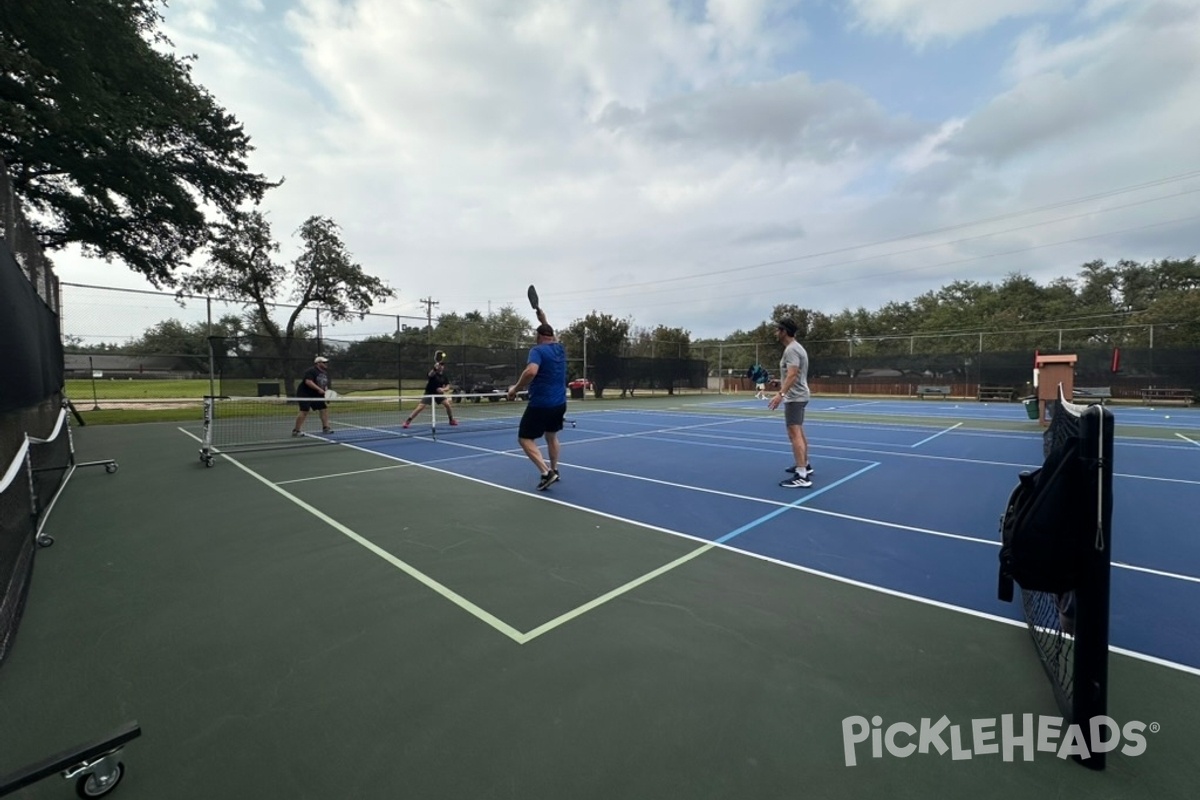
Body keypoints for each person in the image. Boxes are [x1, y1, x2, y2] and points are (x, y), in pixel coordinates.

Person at [507, 310, 567, 490]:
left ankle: (546, 472)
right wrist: (544, 320)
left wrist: (515, 389)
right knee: (551, 436)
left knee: (524, 439)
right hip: (559, 404)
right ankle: (555, 470)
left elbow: (531, 371)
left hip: (541, 404)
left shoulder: (537, 351)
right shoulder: (559, 349)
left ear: (538, 336)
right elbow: (551, 336)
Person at [767, 318, 814, 488]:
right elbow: (793, 376)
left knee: (794, 434)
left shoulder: (791, 350)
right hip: (799, 395)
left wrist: (780, 394)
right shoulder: (796, 348)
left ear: (784, 331)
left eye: (777, 330)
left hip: (795, 398)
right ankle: (805, 465)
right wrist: (780, 383)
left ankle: (801, 475)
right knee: (799, 432)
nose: (775, 333)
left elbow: (793, 375)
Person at [402, 360, 458, 428]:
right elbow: (430, 374)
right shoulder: (433, 373)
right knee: (420, 407)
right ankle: (407, 422)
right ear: (437, 366)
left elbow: (448, 386)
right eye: (440, 365)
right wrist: (434, 368)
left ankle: (451, 420)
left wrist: (442, 389)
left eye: (442, 365)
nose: (441, 366)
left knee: (447, 405)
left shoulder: (444, 376)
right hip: (429, 393)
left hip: (438, 394)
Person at [293, 356, 333, 436]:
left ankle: (326, 428)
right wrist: (319, 389)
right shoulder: (311, 371)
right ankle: (296, 430)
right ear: (318, 363)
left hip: (317, 395)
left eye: (326, 362)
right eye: (324, 362)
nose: (326, 364)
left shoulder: (324, 373)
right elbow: (308, 382)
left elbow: (324, 384)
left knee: (323, 409)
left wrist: (326, 393)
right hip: (305, 394)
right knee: (304, 411)